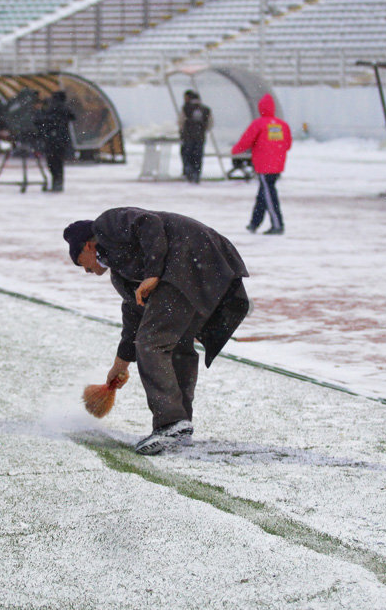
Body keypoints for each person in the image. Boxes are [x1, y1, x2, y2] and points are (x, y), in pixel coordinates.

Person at [63, 208, 250, 455]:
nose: (85, 271)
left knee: (151, 343)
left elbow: (149, 223)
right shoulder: (120, 273)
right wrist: (120, 365)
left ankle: (170, 422)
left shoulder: (106, 225)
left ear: (87, 246)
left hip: (193, 257)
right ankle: (180, 425)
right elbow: (135, 314)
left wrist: (152, 274)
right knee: (176, 346)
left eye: (80, 263)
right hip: (201, 267)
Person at [232, 93, 292, 235]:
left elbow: (246, 140)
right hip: (277, 165)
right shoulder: (282, 125)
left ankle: (277, 224)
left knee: (269, 194)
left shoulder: (259, 124)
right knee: (263, 193)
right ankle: (254, 223)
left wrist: (235, 150)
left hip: (264, 165)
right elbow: (287, 144)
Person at [36, 90, 76, 192]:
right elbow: (72, 117)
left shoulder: (56, 109)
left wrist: (41, 112)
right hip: (60, 140)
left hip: (53, 140)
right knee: (57, 164)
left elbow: (42, 121)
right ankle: (58, 184)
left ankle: (57, 184)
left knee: (53, 163)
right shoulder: (64, 109)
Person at [178, 90, 212, 183]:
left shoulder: (185, 108)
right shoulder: (206, 109)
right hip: (200, 137)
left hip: (187, 136)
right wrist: (202, 130)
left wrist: (182, 131)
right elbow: (210, 124)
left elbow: (181, 122)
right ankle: (196, 174)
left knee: (187, 155)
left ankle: (189, 173)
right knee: (198, 156)